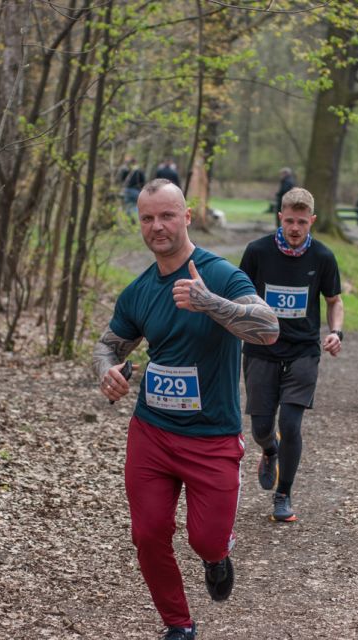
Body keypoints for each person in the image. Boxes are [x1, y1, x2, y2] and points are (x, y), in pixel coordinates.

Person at [93, 179, 279, 640]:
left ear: (188, 216)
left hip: (212, 437)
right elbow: (108, 344)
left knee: (205, 539)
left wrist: (209, 303)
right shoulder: (139, 290)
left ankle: (217, 557)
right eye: (147, 218)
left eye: (167, 215)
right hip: (152, 432)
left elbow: (269, 327)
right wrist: (107, 371)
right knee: (148, 534)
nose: (157, 226)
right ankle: (178, 624)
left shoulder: (220, 275)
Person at [238, 187, 344, 523]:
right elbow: (238, 296)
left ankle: (283, 494)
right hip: (261, 348)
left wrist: (336, 332)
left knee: (291, 424)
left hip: (303, 350)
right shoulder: (257, 252)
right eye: (289, 221)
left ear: (312, 220)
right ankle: (270, 450)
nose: (295, 228)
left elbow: (334, 301)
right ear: (280, 218)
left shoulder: (323, 257)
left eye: (302, 222)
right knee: (261, 428)